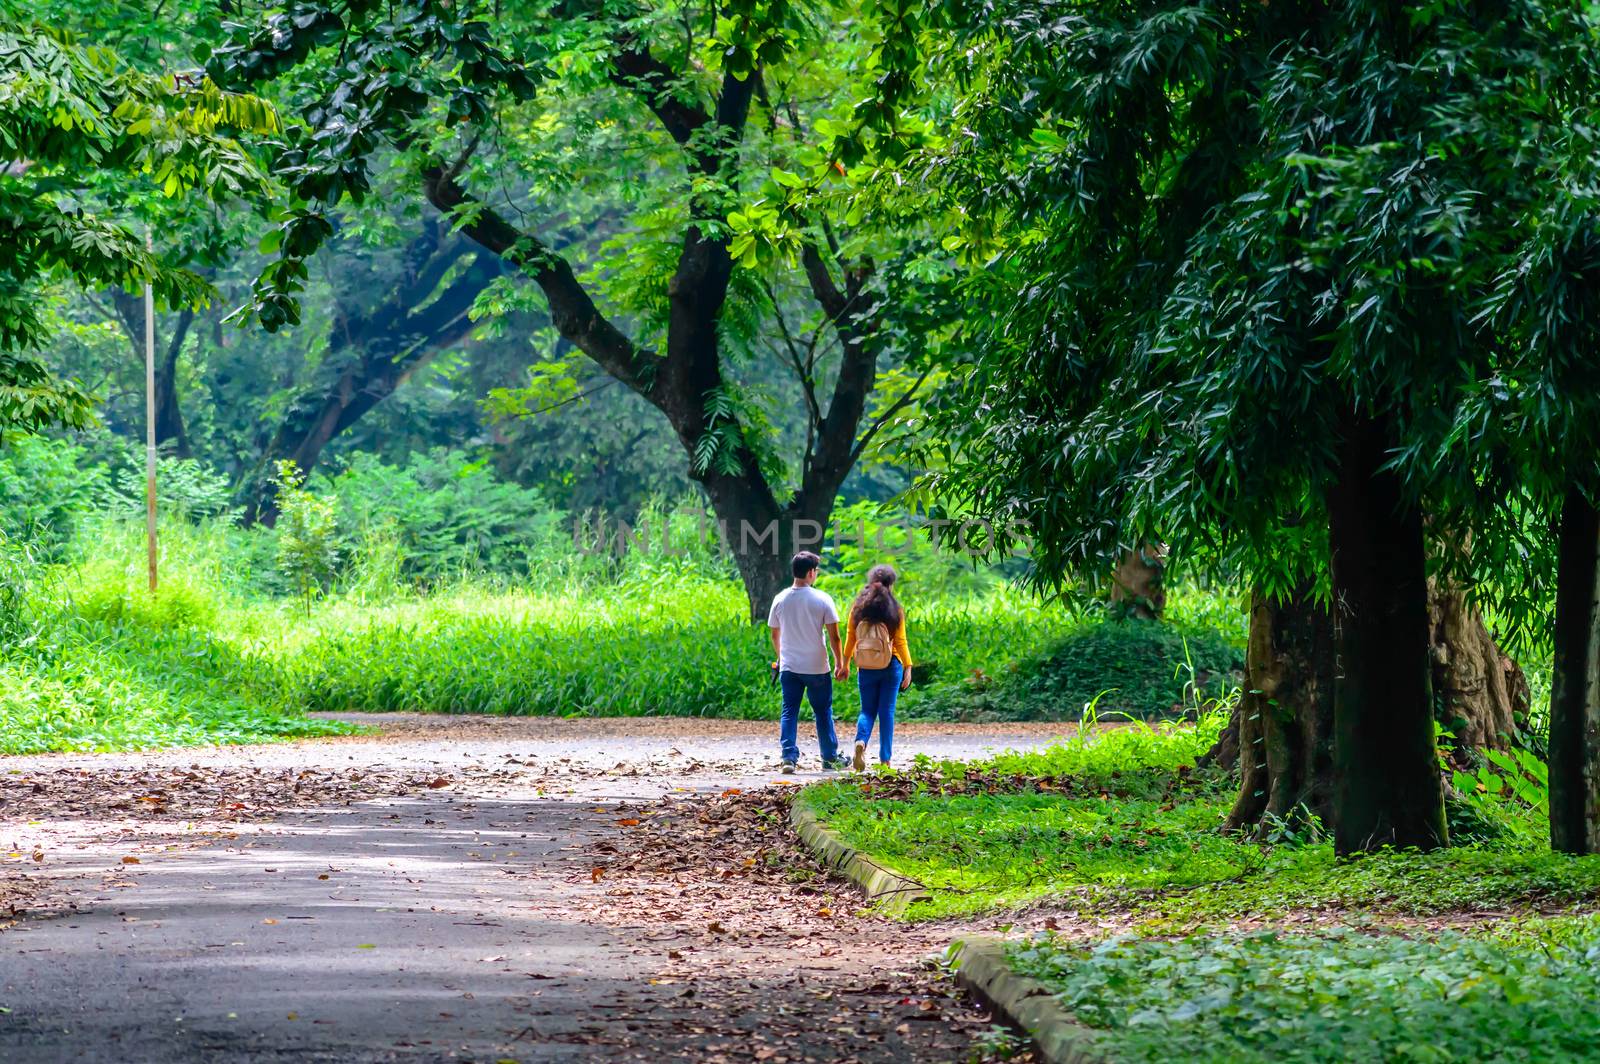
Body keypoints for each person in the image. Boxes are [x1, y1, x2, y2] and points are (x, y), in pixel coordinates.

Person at [767, 551, 845, 773]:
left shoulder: (780, 599)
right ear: (811, 573)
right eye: (816, 571)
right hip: (817, 667)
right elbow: (834, 637)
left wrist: (782, 657)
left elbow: (775, 634)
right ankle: (829, 758)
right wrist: (840, 663)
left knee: (789, 710)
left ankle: (788, 758)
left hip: (790, 666)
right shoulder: (822, 599)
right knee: (822, 712)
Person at [836, 564, 912, 770]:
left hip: (866, 666)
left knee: (867, 710)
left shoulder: (858, 609)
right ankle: (885, 759)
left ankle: (861, 741)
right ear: (891, 584)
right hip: (891, 665)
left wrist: (845, 664)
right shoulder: (895, 609)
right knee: (887, 711)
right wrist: (908, 666)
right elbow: (900, 641)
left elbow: (851, 639)